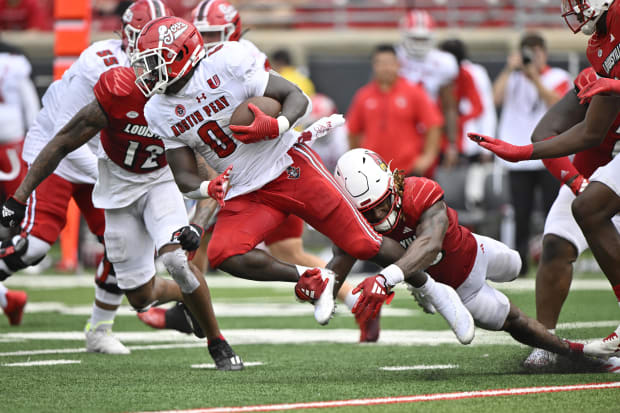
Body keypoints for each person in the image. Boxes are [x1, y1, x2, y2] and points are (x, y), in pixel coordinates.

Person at [131, 16, 474, 343]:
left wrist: (277, 125)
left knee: (363, 243)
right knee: (225, 254)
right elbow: (183, 176)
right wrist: (208, 187)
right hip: (245, 189)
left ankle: (432, 288)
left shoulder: (228, 62)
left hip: (288, 163)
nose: (146, 72)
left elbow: (298, 97)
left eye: (153, 61)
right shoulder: (157, 109)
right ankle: (317, 278)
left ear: (182, 54)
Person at [134, 0, 380, 342]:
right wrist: (207, 190)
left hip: (273, 162)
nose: (208, 40)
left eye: (213, 34)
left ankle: (376, 291)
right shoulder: (163, 104)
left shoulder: (236, 57)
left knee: (284, 249)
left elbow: (282, 103)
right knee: (235, 249)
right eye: (203, 33)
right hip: (234, 176)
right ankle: (352, 297)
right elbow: (195, 157)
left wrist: (274, 126)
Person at [0, 61, 245, 370]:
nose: (149, 70)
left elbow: (211, 177)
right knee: (140, 298)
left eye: (161, 62)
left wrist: (196, 225)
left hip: (162, 182)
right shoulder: (119, 90)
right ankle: (185, 298)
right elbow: (63, 141)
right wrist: (19, 197)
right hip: (118, 190)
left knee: (176, 260)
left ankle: (217, 342)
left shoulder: (190, 103)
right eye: (147, 59)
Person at [331, 148, 618, 370]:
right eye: (370, 212)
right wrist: (317, 284)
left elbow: (430, 244)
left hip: (475, 248)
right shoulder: (356, 225)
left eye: (383, 204)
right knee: (513, 320)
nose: (381, 216)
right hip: (460, 290)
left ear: (392, 182)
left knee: (516, 265)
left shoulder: (417, 191)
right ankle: (572, 352)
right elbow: (339, 263)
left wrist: (386, 277)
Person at [0, 0, 171, 355]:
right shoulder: (99, 63)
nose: (154, 47)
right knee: (34, 246)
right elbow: (64, 137)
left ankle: (99, 329)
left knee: (117, 247)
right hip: (59, 157)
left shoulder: (169, 70)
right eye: (145, 37)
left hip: (108, 161)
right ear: (126, 35)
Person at [468, 0, 620, 358]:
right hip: (602, 167)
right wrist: (570, 178)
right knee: (555, 243)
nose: (572, 7)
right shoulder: (596, 52)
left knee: (590, 206)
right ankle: (546, 344)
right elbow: (581, 132)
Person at [521, 67, 620, 368]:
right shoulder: (593, 78)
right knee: (555, 245)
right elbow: (543, 134)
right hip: (592, 181)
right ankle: (545, 341)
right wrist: (576, 181)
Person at [491, 32, 571, 275]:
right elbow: (494, 98)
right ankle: (522, 265)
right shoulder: (513, 78)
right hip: (519, 158)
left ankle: (551, 261)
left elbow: (558, 105)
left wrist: (535, 77)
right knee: (521, 214)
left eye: (536, 53)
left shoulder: (557, 76)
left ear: (544, 54)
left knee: (551, 211)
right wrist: (509, 70)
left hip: (548, 152)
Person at [347, 44, 442, 177]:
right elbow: (353, 131)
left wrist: (427, 157)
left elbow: (433, 125)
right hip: (373, 173)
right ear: (374, 66)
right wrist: (357, 161)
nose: (386, 68)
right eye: (381, 63)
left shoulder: (413, 92)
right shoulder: (363, 96)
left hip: (407, 170)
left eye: (390, 63)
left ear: (398, 65)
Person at [396, 10, 459, 168]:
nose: (418, 43)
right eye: (414, 38)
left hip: (430, 129)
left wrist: (452, 143)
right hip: (400, 127)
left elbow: (449, 106)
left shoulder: (444, 62)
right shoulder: (394, 58)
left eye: (423, 38)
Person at [439, 38, 496, 162]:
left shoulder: (471, 75)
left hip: (465, 143)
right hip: (438, 142)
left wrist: (485, 147)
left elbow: (481, 109)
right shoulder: (435, 75)